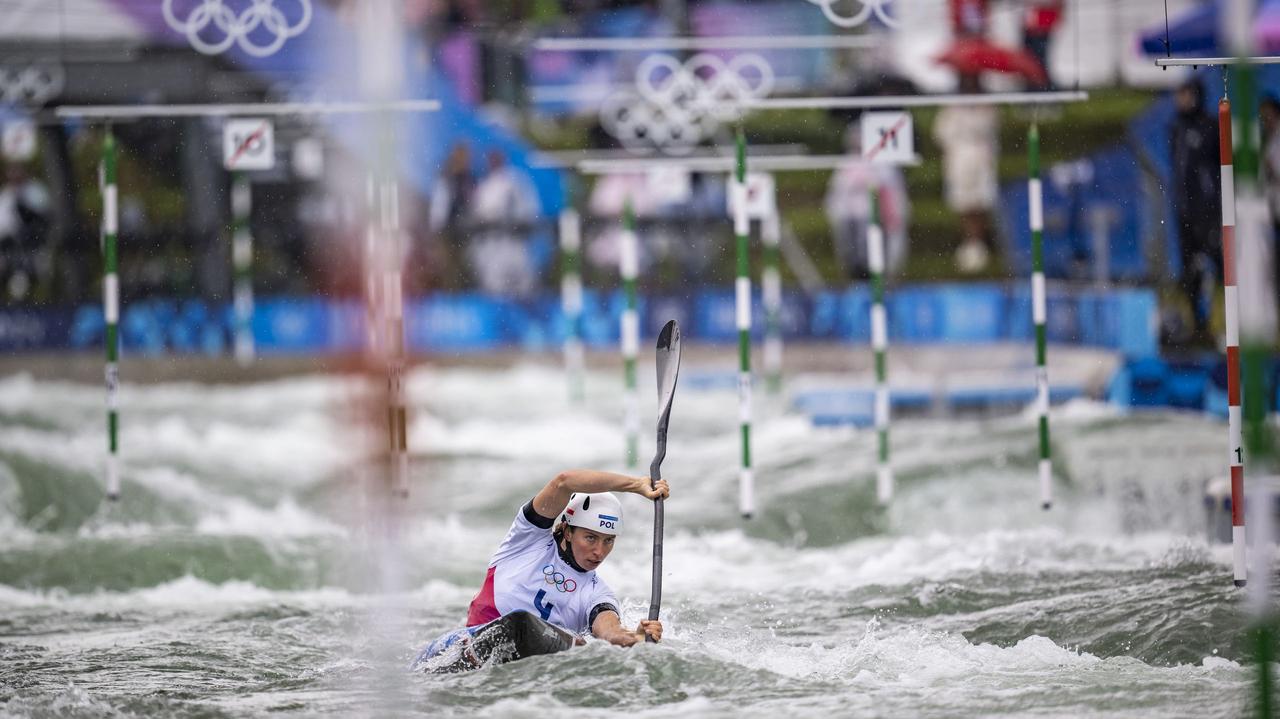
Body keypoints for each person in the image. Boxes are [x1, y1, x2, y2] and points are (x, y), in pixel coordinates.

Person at [412, 469, 670, 673]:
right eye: (590, 538)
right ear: (568, 531)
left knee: (529, 626)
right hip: (475, 638)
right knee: (521, 623)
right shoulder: (526, 539)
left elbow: (609, 632)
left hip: (535, 661)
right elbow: (563, 482)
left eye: (608, 541)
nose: (599, 552)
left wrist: (634, 638)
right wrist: (635, 485)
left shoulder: (597, 593)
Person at [1169, 77, 1221, 345]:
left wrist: (1217, 205)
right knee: (1189, 273)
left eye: (1185, 93)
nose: (1180, 100)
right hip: (1185, 213)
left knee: (1219, 268)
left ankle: (1220, 323)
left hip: (1210, 212)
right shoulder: (1175, 128)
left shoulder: (1211, 126)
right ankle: (1196, 326)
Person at [824, 124, 910, 280]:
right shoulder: (846, 164)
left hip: (878, 217)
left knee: (878, 254)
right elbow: (837, 194)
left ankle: (880, 276)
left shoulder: (885, 164)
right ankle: (857, 275)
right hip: (851, 218)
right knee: (854, 254)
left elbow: (895, 194)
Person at [933, 74, 999, 273]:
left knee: (981, 203)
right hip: (959, 161)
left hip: (981, 161)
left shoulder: (988, 108)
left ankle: (979, 243)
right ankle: (968, 243)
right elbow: (941, 135)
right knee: (963, 203)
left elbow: (991, 132)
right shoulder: (950, 109)